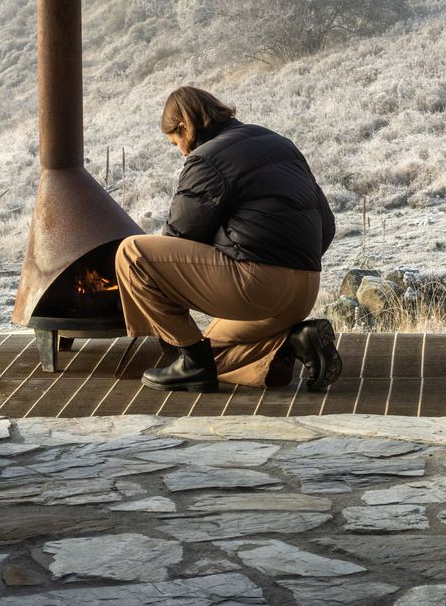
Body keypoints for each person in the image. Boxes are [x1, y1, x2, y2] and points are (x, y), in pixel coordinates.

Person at [115, 86, 343, 393]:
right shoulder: (280, 144)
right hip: (305, 289)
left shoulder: (206, 160)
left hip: (257, 286)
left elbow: (180, 236)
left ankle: (192, 367)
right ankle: (295, 343)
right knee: (210, 348)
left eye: (176, 142)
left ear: (185, 126)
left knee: (131, 254)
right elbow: (326, 226)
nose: (182, 151)